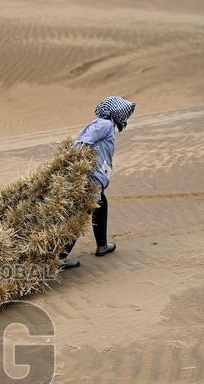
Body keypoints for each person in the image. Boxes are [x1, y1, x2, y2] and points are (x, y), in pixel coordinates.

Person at [61, 95, 136, 269]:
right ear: (115, 112)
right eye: (123, 112)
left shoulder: (106, 125)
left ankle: (102, 245)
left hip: (95, 178)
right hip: (91, 179)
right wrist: (78, 166)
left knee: (101, 206)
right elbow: (83, 142)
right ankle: (60, 256)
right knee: (80, 216)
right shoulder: (104, 124)